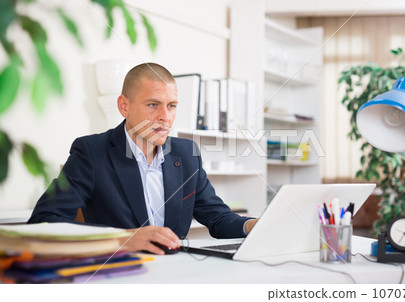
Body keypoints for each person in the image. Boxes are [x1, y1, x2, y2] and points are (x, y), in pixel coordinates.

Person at [28, 62, 258, 254]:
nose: (165, 117)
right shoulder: (91, 152)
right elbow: (44, 221)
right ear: (124, 106)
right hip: (118, 273)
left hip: (176, 273)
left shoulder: (188, 155)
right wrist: (124, 239)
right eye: (153, 105)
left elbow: (217, 217)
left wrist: (252, 226)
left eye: (172, 106)